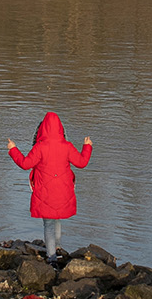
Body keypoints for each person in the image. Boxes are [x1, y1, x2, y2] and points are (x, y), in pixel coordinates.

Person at [7, 111, 91, 259]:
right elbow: (82, 163)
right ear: (60, 129)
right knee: (57, 218)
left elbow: (25, 164)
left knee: (48, 224)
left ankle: (51, 258)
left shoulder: (40, 147)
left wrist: (13, 149)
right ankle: (57, 248)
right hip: (63, 191)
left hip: (44, 192)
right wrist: (87, 146)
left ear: (42, 129)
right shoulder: (67, 146)